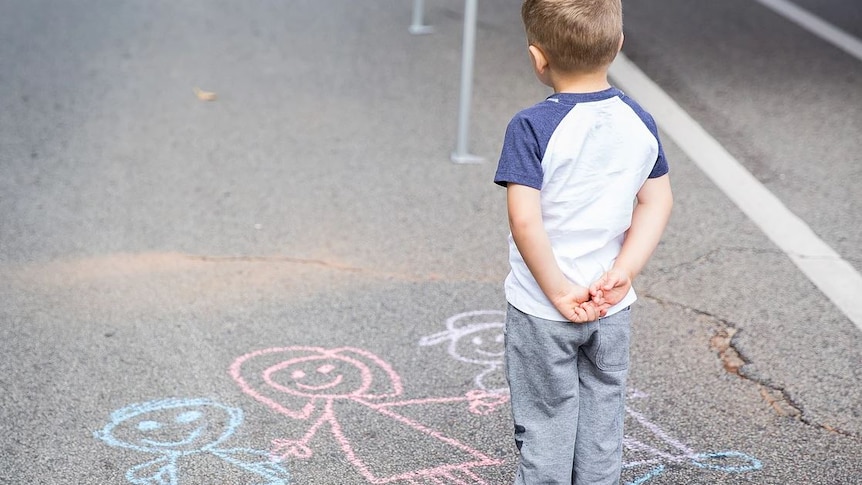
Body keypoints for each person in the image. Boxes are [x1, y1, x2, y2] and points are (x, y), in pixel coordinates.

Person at [493, 0, 674, 483]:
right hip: (611, 304)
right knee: (603, 416)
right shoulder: (639, 120)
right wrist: (624, 272)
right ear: (617, 46)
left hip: (542, 307)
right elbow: (657, 203)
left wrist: (556, 290)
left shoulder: (531, 126)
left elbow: (525, 221)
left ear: (538, 58)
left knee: (547, 419)